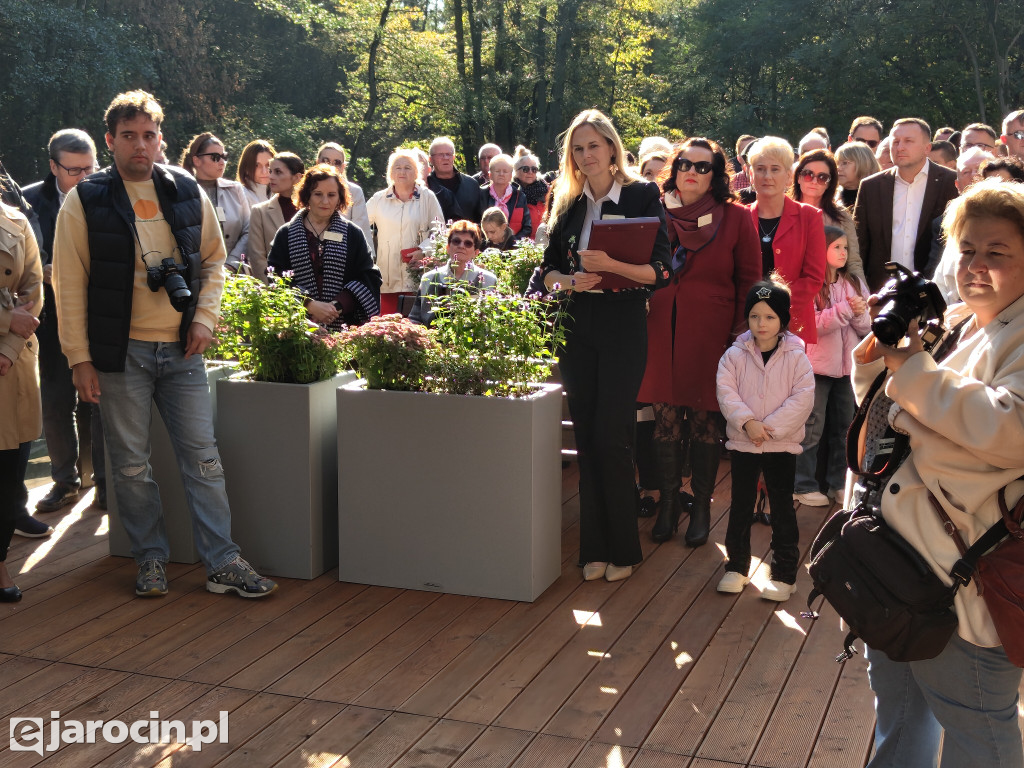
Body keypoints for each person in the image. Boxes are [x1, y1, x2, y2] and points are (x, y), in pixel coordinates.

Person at [52, 90, 277, 599]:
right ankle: (150, 558)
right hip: (118, 353)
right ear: (110, 141)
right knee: (130, 465)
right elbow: (67, 284)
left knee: (204, 459)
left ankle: (223, 562)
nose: (140, 145)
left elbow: (216, 261)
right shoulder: (84, 199)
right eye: (128, 136)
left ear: (162, 140)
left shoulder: (185, 190)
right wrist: (79, 359)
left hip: (183, 350)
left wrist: (204, 319)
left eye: (149, 135)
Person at [852, 179, 1024, 768]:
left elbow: (1011, 433)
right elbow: (887, 427)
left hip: (965, 586)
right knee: (898, 718)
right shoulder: (958, 321)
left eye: (997, 253)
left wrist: (914, 378)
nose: (976, 265)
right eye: (967, 249)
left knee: (980, 735)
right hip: (901, 570)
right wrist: (877, 368)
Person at [539, 109, 672, 583]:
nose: (586, 155)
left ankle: (625, 549)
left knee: (613, 436)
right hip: (576, 323)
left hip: (622, 323)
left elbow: (662, 271)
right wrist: (569, 280)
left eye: (594, 145)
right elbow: (544, 275)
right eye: (578, 148)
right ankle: (592, 548)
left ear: (613, 149)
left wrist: (614, 264)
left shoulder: (640, 194)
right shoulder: (568, 202)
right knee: (588, 436)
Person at [637, 138, 760, 547]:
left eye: (703, 167)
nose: (692, 171)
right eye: (685, 164)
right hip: (660, 328)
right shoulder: (653, 210)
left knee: (707, 418)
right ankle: (670, 504)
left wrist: (740, 334)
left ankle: (702, 507)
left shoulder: (736, 218)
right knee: (667, 419)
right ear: (674, 168)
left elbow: (749, 281)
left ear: (717, 176)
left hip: (713, 333)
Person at [22, 128, 106, 515]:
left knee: (105, 402)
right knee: (56, 403)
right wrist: (44, 272)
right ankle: (65, 483)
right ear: (53, 166)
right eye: (74, 171)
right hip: (52, 317)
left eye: (90, 168)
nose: (84, 179)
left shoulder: (113, 191)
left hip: (105, 315)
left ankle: (106, 484)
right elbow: (20, 265)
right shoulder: (26, 202)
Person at [715, 277, 815, 601]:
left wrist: (768, 428)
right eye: (755, 316)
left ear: (782, 319)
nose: (761, 323)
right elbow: (726, 391)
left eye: (770, 316)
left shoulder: (797, 358)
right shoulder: (734, 355)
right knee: (741, 505)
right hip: (744, 443)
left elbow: (802, 399)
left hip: (780, 445)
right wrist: (747, 423)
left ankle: (785, 574)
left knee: (782, 506)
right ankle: (737, 567)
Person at [792, 226, 870, 506]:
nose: (843, 253)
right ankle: (802, 483)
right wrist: (847, 310)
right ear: (819, 250)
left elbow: (865, 327)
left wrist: (859, 313)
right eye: (836, 247)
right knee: (811, 427)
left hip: (847, 369)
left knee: (844, 428)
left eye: (845, 248)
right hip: (817, 368)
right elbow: (811, 326)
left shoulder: (852, 282)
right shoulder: (811, 285)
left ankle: (838, 483)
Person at [267, 164, 381, 329]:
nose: (325, 201)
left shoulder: (352, 234)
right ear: (307, 196)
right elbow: (275, 277)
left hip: (344, 327)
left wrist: (337, 306)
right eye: (318, 194)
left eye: (332, 195)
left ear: (340, 197)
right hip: (296, 329)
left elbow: (368, 277)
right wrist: (308, 304)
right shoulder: (286, 233)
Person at [854, 118, 958, 292]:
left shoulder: (950, 182)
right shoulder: (870, 187)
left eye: (908, 141)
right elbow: (860, 244)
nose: (899, 147)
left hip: (933, 290)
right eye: (895, 141)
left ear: (927, 148)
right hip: (881, 291)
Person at [1, 196, 45, 602]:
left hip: (10, 368)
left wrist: (8, 349)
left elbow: (33, 293)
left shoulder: (15, 221)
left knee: (9, 469)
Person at [746, 136, 826, 345]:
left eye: (775, 169)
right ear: (750, 174)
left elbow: (814, 277)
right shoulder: (740, 217)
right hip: (745, 324)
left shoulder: (809, 217)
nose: (767, 176)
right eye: (760, 168)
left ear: (789, 176)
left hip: (792, 324)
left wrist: (775, 309)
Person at [366, 149, 444, 315]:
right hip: (387, 277)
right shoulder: (379, 199)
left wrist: (423, 250)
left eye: (408, 167)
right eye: (397, 167)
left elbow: (440, 230)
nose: (402, 171)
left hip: (416, 274)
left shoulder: (427, 197)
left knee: (414, 326)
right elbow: (360, 226)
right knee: (387, 326)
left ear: (417, 172)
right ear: (390, 172)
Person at [790, 148, 865, 283]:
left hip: (833, 294)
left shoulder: (841, 217)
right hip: (794, 292)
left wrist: (862, 296)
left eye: (822, 177)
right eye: (808, 174)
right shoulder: (784, 212)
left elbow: (853, 263)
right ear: (798, 177)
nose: (814, 181)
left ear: (829, 184)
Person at [179, 133, 250, 272]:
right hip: (195, 273)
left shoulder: (235, 189)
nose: (222, 162)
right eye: (215, 157)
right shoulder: (181, 191)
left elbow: (249, 230)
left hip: (234, 273)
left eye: (224, 157)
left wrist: (231, 264)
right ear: (197, 160)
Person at [409, 220, 497, 326]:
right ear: (448, 248)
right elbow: (415, 319)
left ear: (476, 252)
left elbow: (492, 322)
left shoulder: (489, 281)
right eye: (456, 241)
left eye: (468, 243)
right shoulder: (429, 278)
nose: (461, 246)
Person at [247, 152, 303, 282]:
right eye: (270, 171)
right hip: (276, 294)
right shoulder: (259, 212)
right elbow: (257, 259)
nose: (270, 176)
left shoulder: (312, 211)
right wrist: (275, 292)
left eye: (278, 172)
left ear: (297, 177)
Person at [316, 142, 373, 258]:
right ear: (317, 162)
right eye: (326, 160)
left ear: (343, 167)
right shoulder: (307, 189)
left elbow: (360, 232)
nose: (331, 166)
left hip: (346, 255)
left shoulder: (355, 191)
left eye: (337, 162)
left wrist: (325, 235)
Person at [426, 137, 480, 222]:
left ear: (454, 157)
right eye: (440, 154)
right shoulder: (426, 186)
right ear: (430, 159)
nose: (445, 158)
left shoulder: (471, 184)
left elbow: (479, 217)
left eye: (448, 154)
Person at [478, 153, 530, 239]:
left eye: (505, 171)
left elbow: (527, 227)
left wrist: (512, 241)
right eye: (497, 171)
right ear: (490, 175)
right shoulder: (481, 194)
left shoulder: (520, 196)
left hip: (513, 247)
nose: (501, 174)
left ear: (510, 176)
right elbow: (474, 222)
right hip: (486, 246)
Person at [835, 141, 881, 209]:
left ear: (864, 164)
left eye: (845, 163)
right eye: (837, 163)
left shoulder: (879, 199)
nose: (838, 168)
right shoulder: (830, 198)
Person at [513, 147, 548, 239]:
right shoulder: (512, 193)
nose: (530, 172)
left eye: (534, 169)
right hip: (522, 246)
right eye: (525, 169)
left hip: (544, 243)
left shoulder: (546, 191)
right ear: (516, 171)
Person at [236, 139, 275, 207]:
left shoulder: (282, 194)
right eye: (257, 165)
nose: (264, 171)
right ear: (245, 167)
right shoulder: (239, 197)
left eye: (268, 165)